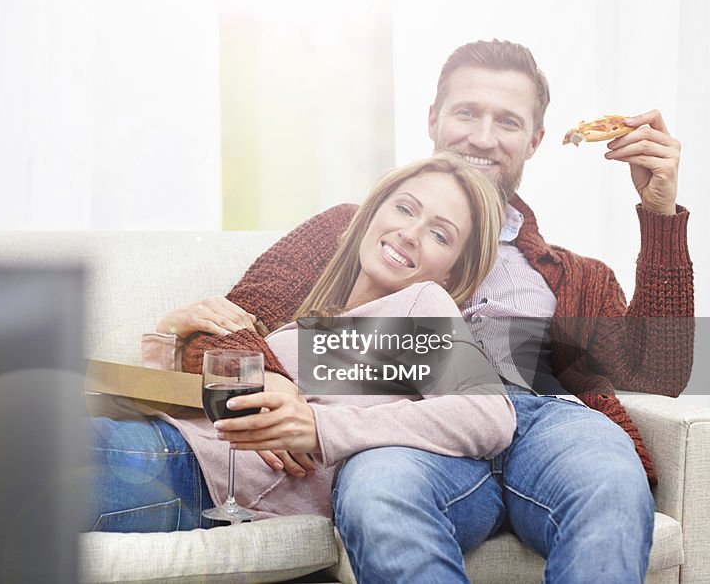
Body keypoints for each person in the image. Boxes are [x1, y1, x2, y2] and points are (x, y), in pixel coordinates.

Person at [179, 40, 692, 582]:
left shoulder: (577, 277)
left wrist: (659, 213)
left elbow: (658, 376)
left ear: (536, 141)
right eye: (466, 112)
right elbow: (218, 332)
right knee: (377, 495)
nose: (482, 136)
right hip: (405, 433)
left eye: (508, 121)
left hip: (547, 423)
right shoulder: (361, 231)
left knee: (610, 486)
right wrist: (279, 382)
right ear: (433, 118)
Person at [86, 152, 513, 532]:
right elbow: (203, 408)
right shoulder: (314, 316)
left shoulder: (423, 305)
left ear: (451, 274)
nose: (410, 232)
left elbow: (487, 414)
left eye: (440, 234)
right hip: (165, 444)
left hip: (193, 474)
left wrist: (319, 429)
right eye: (404, 209)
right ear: (371, 214)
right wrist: (171, 333)